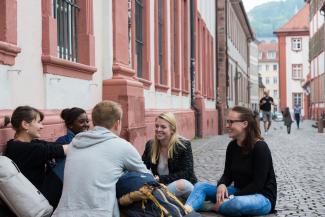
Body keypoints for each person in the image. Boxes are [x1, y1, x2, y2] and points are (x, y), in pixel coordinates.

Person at [52, 101, 150, 217]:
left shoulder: (75, 143)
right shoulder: (122, 146)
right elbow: (146, 178)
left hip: (62, 213)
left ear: (94, 122)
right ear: (117, 123)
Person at [185, 106, 277, 216]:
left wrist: (232, 197)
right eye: (227, 121)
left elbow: (258, 184)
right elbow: (227, 174)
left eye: (231, 122)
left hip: (262, 197)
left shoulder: (260, 147)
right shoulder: (232, 146)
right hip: (238, 191)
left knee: (235, 203)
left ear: (245, 124)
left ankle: (210, 206)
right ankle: (185, 211)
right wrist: (222, 184)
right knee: (200, 186)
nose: (227, 126)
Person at [4, 106, 68, 196]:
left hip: (39, 193)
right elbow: (62, 149)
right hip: (37, 198)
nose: (41, 126)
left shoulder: (27, 143)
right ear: (25, 125)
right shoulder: (21, 148)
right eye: (38, 122)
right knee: (66, 159)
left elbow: (53, 146)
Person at [142, 112, 197, 199]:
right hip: (160, 186)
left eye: (163, 127)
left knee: (182, 184)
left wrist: (160, 179)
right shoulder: (150, 145)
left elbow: (187, 173)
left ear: (172, 130)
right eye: (156, 126)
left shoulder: (183, 145)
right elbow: (143, 167)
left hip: (181, 186)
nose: (158, 129)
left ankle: (157, 197)